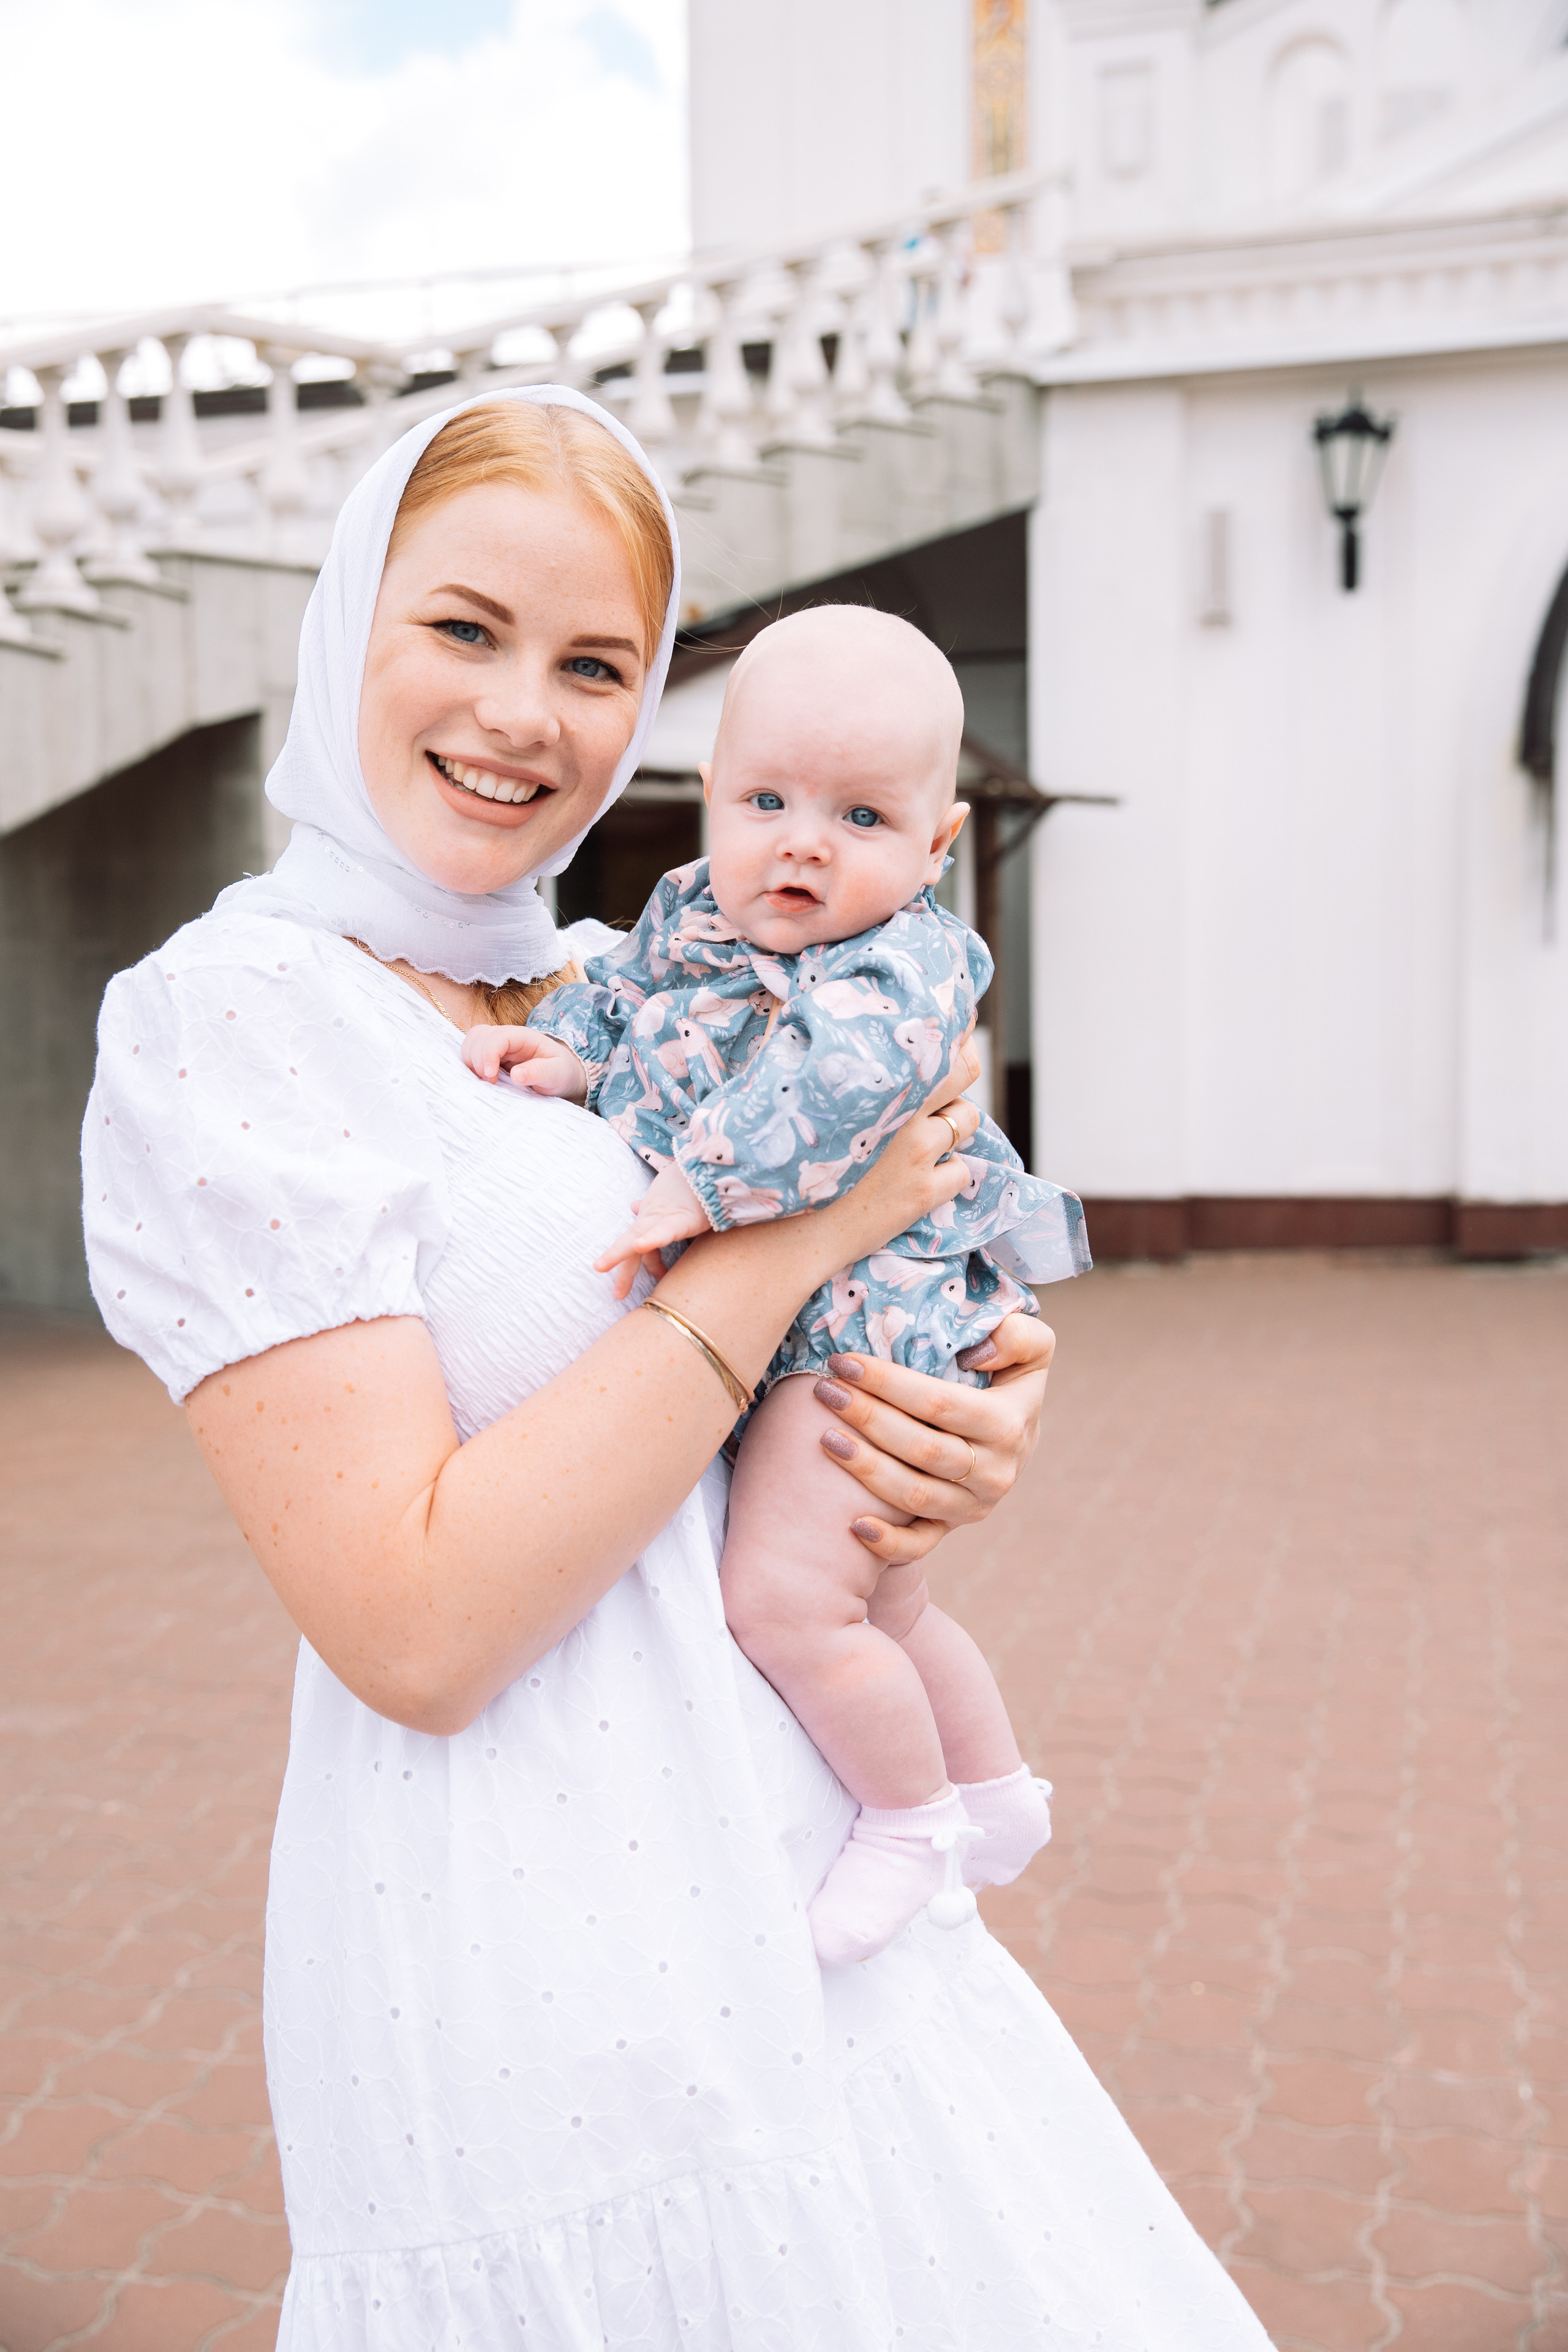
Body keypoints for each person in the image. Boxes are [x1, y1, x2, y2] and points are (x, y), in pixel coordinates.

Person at [83, 388, 1273, 2348]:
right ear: (344, 626)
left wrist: (965, 1413)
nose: (525, 714)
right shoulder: (235, 1023)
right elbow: (418, 1624)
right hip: (539, 1949)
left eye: (596, 664)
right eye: (463, 629)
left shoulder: (619, 979)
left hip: (798, 1865)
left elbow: (863, 1287)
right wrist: (803, 1234)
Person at [461, 605, 1090, 1972]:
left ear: (935, 848)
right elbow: (620, 998)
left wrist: (699, 1185)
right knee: (889, 1607)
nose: (801, 840)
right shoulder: (687, 916)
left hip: (859, 1334)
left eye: (860, 816)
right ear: (710, 801)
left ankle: (907, 1820)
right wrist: (564, 1059)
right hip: (805, 1330)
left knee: (785, 1606)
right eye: (765, 800)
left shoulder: (901, 965)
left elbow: (839, 1091)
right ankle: (994, 1789)